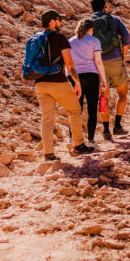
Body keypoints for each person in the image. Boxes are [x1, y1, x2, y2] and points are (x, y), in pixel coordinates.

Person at [33, 9, 95, 160]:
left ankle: (48, 153)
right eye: (58, 20)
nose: (61, 23)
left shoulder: (35, 39)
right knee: (74, 110)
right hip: (57, 82)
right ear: (52, 22)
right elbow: (69, 62)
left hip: (39, 84)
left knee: (47, 118)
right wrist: (77, 82)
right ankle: (78, 145)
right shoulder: (59, 38)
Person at [89, 0, 130, 139]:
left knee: (103, 97)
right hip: (115, 59)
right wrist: (122, 57)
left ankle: (106, 129)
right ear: (104, 7)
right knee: (123, 93)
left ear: (92, 9)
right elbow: (126, 38)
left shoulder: (88, 23)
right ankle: (117, 126)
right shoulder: (113, 19)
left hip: (97, 63)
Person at [69, 18, 108, 145]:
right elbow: (98, 61)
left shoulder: (70, 41)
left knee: (75, 110)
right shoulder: (94, 41)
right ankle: (91, 140)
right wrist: (104, 79)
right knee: (92, 109)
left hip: (75, 78)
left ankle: (72, 139)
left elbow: (68, 63)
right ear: (90, 29)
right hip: (91, 76)